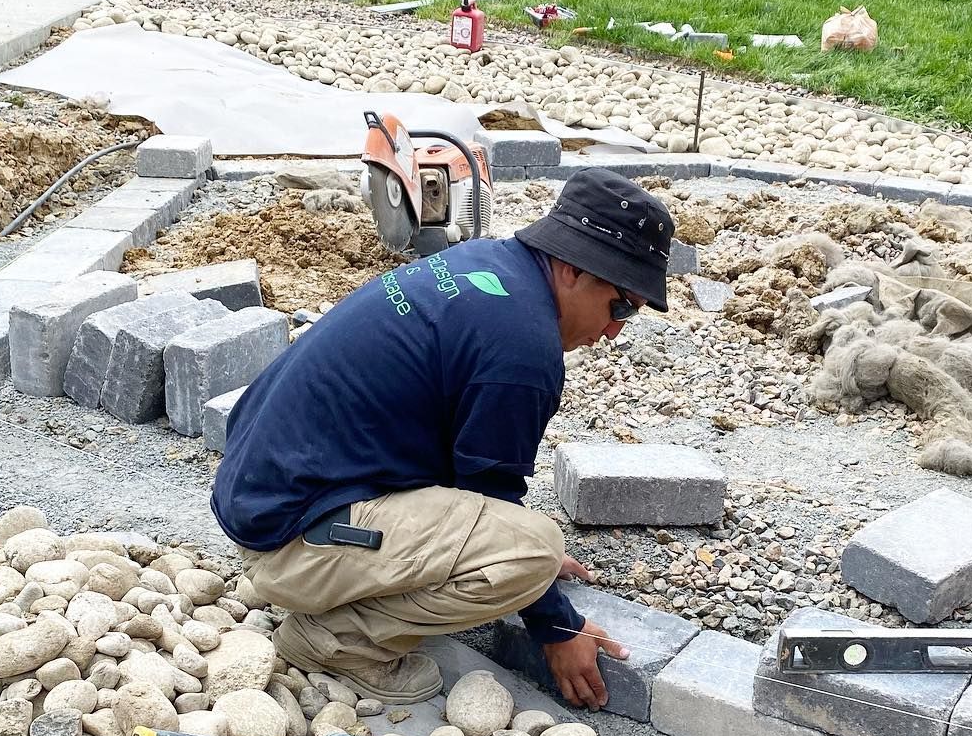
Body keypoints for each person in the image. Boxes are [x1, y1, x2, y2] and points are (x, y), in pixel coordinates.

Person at [211, 167, 677, 705]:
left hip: (264, 494)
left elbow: (471, 472)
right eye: (620, 306)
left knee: (524, 546)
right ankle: (333, 639)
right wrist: (555, 622)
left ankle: (330, 582)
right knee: (533, 549)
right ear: (573, 269)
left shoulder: (488, 264)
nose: (615, 331)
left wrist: (505, 552)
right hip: (288, 541)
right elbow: (491, 494)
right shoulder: (523, 349)